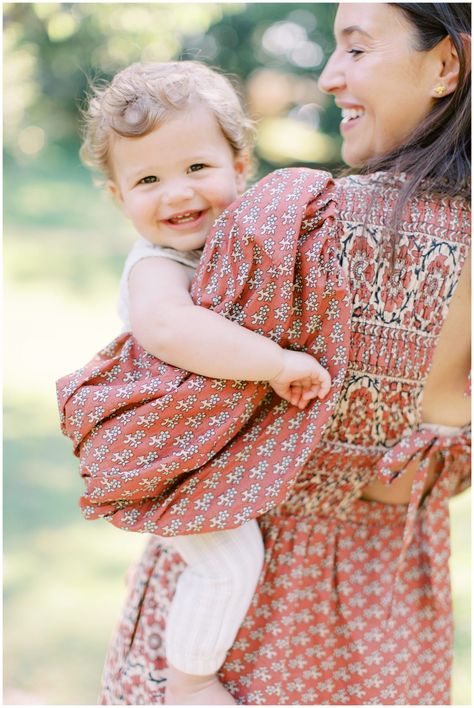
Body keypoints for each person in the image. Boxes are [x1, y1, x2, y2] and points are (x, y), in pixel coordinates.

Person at [77, 3, 470, 704]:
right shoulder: (189, 255)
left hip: (263, 622)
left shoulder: (306, 224)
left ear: (446, 64)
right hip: (395, 613)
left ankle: (189, 681)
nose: (326, 75)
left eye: (355, 48)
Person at [57, 60, 333, 705]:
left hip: (191, 446)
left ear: (242, 166)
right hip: (158, 451)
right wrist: (277, 363)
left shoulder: (238, 243)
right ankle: (189, 685)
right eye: (148, 179)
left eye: (196, 169)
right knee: (228, 565)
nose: (176, 194)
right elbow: (171, 330)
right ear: (118, 197)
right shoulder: (154, 266)